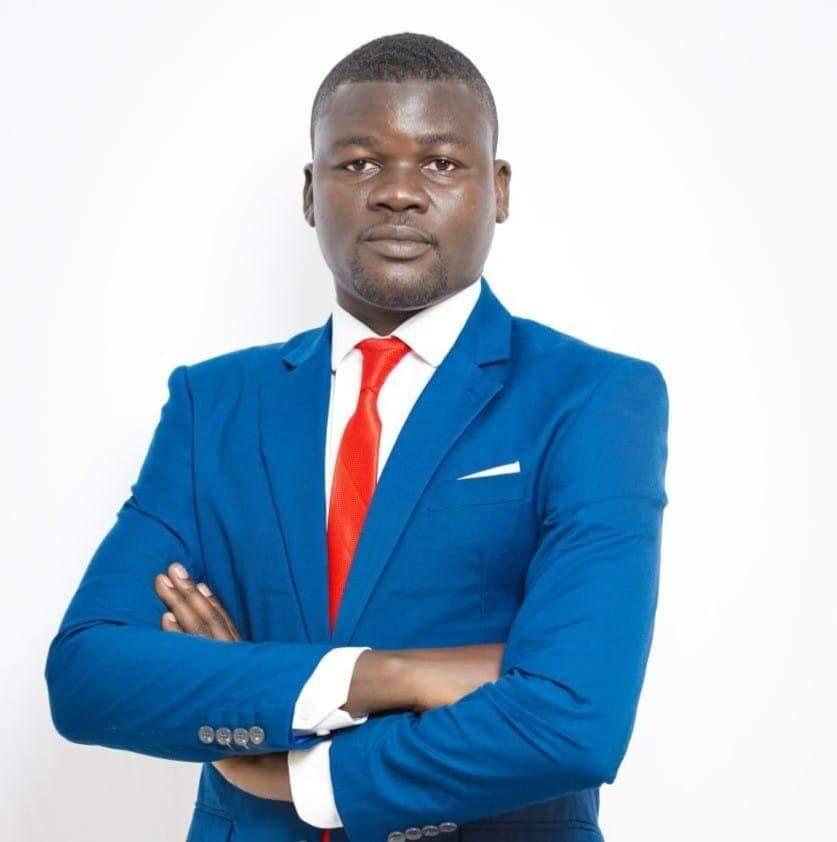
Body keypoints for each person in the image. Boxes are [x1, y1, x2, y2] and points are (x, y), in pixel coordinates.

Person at [45, 32, 669, 842]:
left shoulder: (591, 397)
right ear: (312, 193)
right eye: (359, 163)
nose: (397, 193)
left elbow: (574, 720)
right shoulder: (214, 403)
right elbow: (87, 676)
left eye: (440, 162)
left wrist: (289, 772)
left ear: (498, 189)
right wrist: (383, 676)